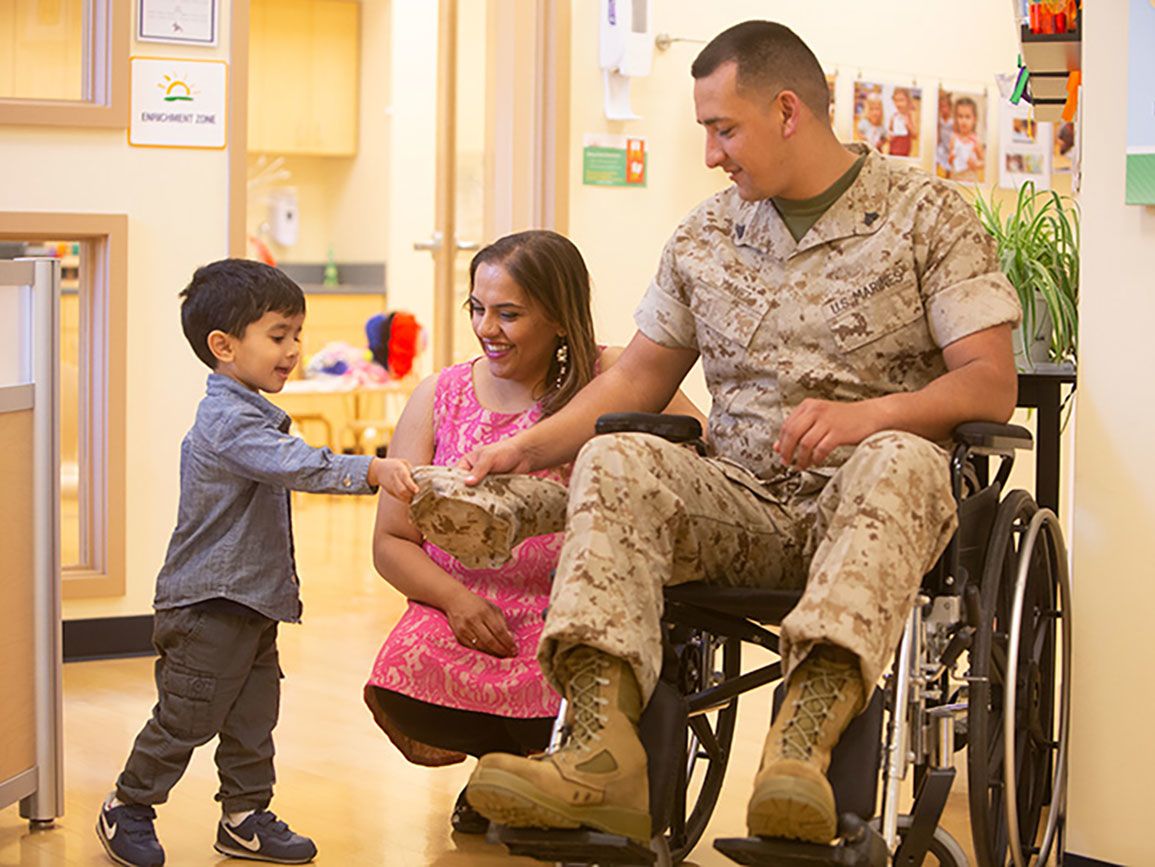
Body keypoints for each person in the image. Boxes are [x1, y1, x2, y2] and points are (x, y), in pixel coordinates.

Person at [441, 20, 1020, 847]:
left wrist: (871, 415)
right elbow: (633, 379)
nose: (711, 152)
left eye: (723, 128)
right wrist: (520, 450)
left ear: (788, 111)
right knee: (618, 449)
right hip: (740, 502)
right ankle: (599, 756)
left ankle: (800, 746)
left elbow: (987, 381)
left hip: (870, 506)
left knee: (898, 457)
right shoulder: (704, 236)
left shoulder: (926, 216)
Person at [363, 231, 702, 834]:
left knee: (575, 655)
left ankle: (545, 772)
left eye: (508, 313)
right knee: (406, 670)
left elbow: (702, 447)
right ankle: (500, 769)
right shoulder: (438, 396)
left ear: (557, 315)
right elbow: (390, 541)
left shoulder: (613, 374)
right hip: (464, 600)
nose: (487, 327)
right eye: (477, 308)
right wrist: (455, 599)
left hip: (575, 602)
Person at [97, 259, 416, 867]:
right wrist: (369, 468)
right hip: (208, 606)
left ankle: (244, 817)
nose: (294, 349)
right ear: (224, 346)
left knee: (252, 718)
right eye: (279, 335)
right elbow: (291, 462)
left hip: (249, 603)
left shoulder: (250, 409)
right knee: (186, 719)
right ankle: (128, 806)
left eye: (298, 334)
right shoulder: (227, 420)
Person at [946, 96, 985, 182]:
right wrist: (951, 158)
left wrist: (976, 164)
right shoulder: (954, 138)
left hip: (970, 180)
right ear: (956, 118)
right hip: (955, 179)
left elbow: (983, 162)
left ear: (974, 119)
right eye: (960, 116)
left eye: (967, 117)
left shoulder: (975, 140)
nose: (963, 121)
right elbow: (950, 160)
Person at [887, 86, 916, 157]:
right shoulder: (894, 116)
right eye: (896, 100)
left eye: (901, 100)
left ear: (908, 100)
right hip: (892, 151)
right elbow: (890, 131)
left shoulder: (910, 115)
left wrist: (908, 124)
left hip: (904, 152)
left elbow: (915, 135)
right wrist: (889, 136)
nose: (898, 104)